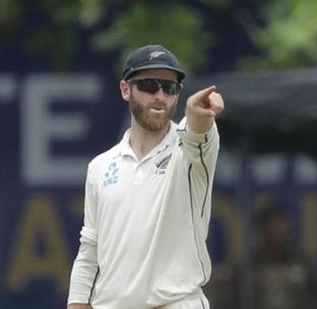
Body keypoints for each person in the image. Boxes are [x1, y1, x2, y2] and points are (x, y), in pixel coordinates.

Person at [66, 44, 224, 309]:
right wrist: (77, 303)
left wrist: (199, 115)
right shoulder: (101, 166)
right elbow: (90, 248)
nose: (160, 96)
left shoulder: (188, 151)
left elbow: (198, 132)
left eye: (170, 88)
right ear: (126, 90)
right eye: (149, 86)